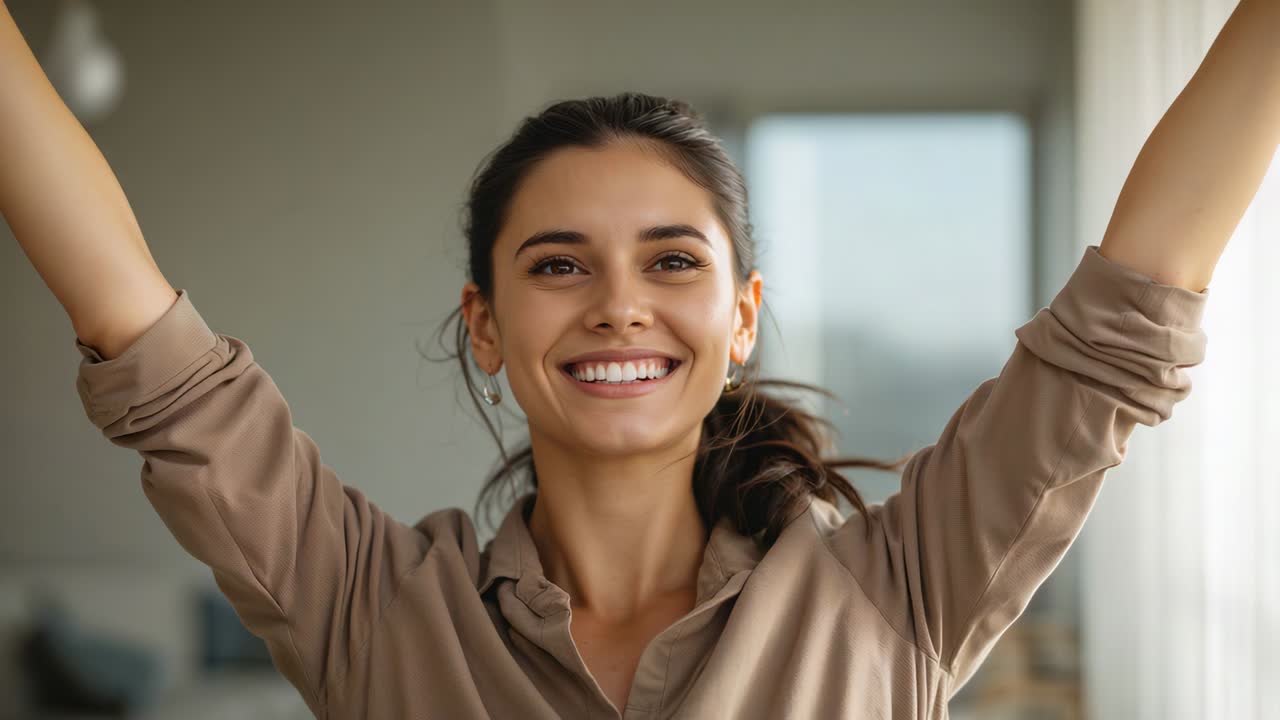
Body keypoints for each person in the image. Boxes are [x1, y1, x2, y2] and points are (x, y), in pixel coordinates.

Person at [3, 0, 1275, 717]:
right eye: (558, 264)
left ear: (741, 319)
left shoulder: (896, 591)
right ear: (485, 325)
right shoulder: (377, 611)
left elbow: (1130, 304)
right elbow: (138, 333)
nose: (619, 306)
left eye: (672, 262)